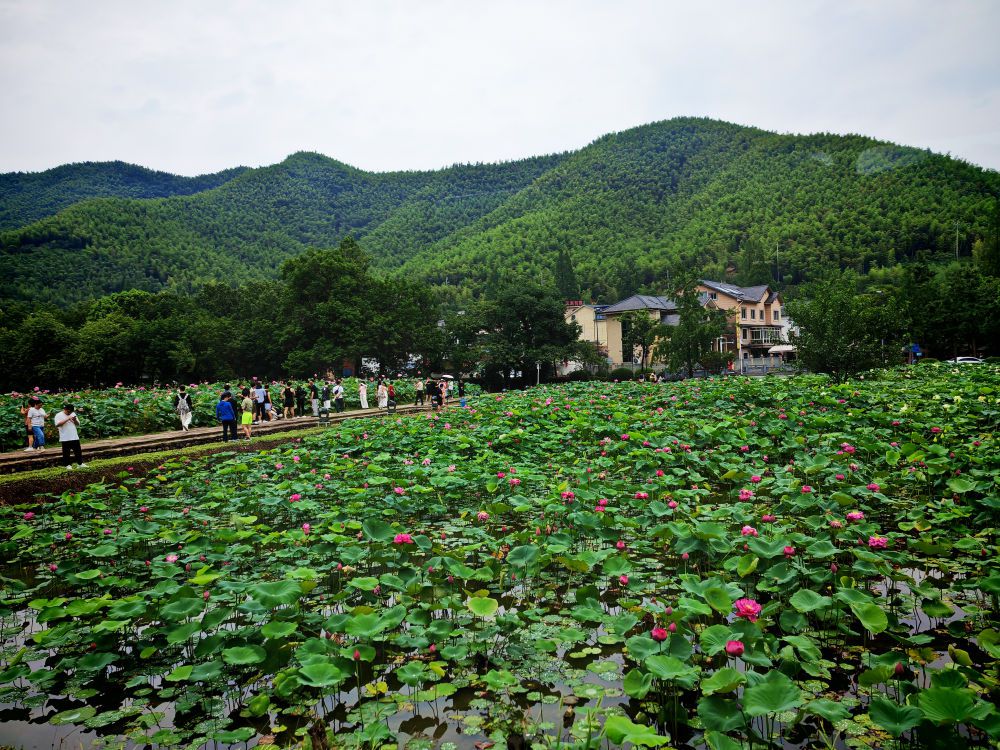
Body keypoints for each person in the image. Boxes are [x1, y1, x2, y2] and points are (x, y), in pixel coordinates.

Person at [54, 404, 85, 468]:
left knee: (78, 451)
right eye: (68, 411)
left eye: (71, 412)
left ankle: (80, 464)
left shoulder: (73, 414)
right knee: (66, 453)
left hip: (74, 436)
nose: (70, 413)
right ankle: (67, 465)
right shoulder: (58, 415)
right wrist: (67, 418)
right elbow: (57, 424)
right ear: (65, 409)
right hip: (65, 437)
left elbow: (78, 424)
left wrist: (74, 420)